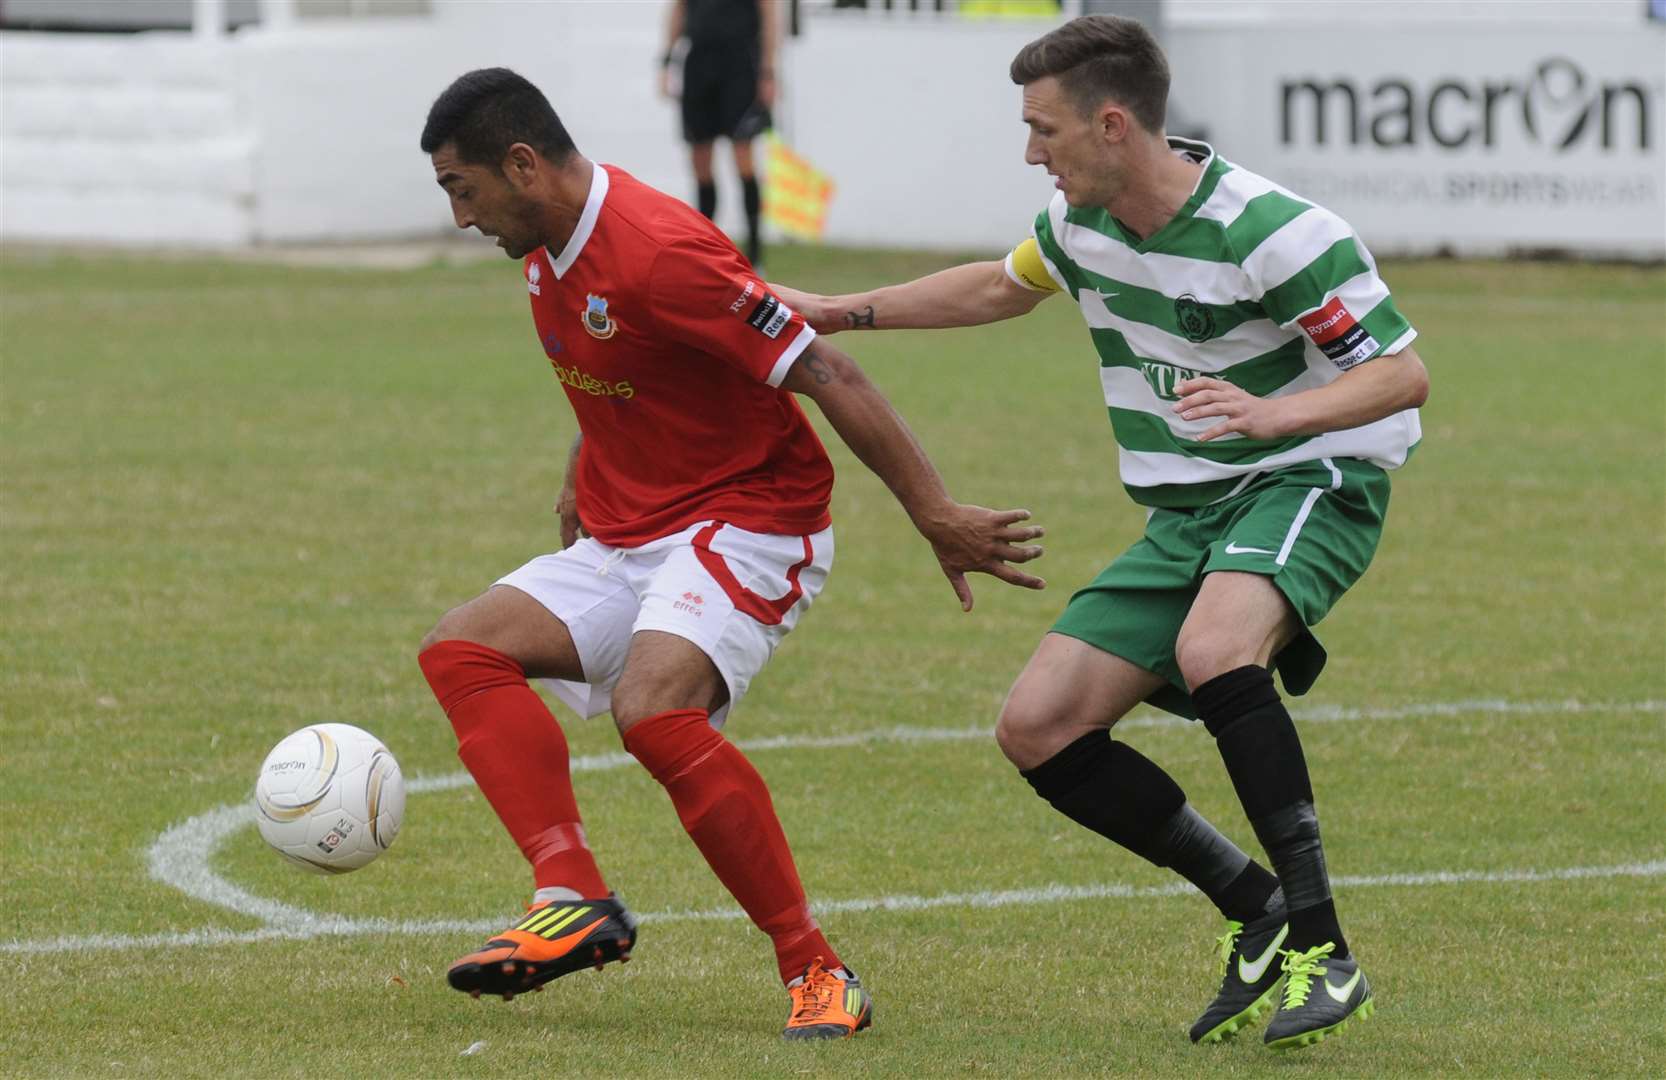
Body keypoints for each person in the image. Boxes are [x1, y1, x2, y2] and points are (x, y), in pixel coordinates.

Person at [771, 15, 1428, 1051]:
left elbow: (1397, 373)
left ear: (1112, 125)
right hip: (1189, 507)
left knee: (1216, 652)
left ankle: (1324, 950)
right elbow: (999, 285)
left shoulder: (1274, 232)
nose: (1030, 152)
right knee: (1038, 727)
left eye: (1043, 130)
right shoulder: (1079, 224)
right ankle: (1254, 907)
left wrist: (1276, 416)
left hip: (1311, 474)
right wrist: (835, 311)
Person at [414, 67, 1045, 1041]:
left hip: (756, 517)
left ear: (523, 165)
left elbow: (825, 365)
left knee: (653, 713)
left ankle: (816, 971)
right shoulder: (545, 242)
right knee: (462, 651)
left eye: (463, 188)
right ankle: (573, 894)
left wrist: (935, 512)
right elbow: (629, 365)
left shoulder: (659, 250)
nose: (461, 216)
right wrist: (582, 471)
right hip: (634, 526)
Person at [660, 0, 774, 268]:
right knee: (700, 160)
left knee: (743, 158)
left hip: (740, 63)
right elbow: (678, 10)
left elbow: (770, 15)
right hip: (699, 62)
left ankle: (755, 254)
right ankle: (705, 248)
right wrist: (666, 61)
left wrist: (768, 71)